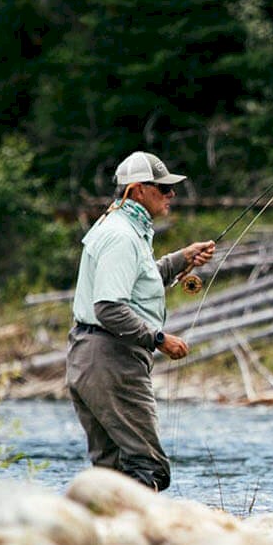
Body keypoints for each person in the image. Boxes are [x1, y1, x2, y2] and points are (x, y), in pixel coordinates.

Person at [66, 150, 215, 491]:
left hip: (91, 357)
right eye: (162, 188)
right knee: (147, 469)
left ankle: (107, 540)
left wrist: (182, 259)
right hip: (112, 360)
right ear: (137, 191)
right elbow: (108, 307)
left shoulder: (119, 227)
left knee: (112, 472)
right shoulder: (121, 236)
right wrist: (160, 340)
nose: (171, 194)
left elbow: (138, 284)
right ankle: (133, 538)